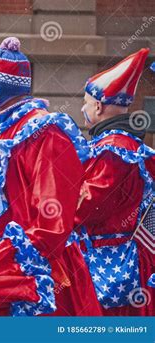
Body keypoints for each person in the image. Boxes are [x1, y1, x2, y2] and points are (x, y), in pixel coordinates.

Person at [0, 37, 102, 316]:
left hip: (43, 279)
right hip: (4, 274)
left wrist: (2, 267)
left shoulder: (44, 133)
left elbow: (51, 224)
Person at [75, 48, 154, 316]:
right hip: (127, 262)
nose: (83, 109)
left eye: (85, 102)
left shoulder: (112, 151)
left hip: (112, 266)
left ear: (98, 106)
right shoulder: (130, 147)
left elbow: (87, 206)